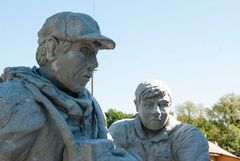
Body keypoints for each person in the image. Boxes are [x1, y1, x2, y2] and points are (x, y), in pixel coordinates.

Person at [0, 12, 140, 161]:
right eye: (85, 51)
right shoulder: (12, 101)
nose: (95, 63)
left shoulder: (93, 109)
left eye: (95, 54)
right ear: (51, 49)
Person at [109, 80, 210, 161]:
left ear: (170, 105)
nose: (156, 111)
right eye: (148, 104)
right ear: (137, 105)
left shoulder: (188, 136)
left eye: (163, 104)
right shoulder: (120, 131)